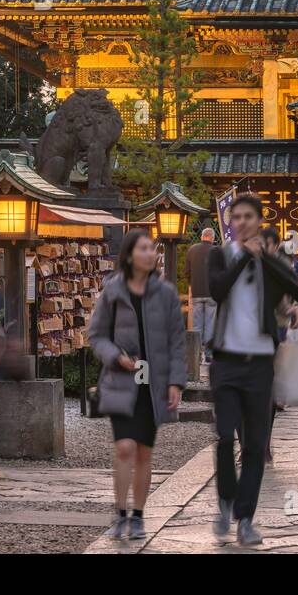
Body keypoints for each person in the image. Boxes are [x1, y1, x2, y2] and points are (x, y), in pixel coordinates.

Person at [206, 194, 298, 547]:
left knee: (255, 445)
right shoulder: (219, 256)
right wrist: (244, 259)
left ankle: (246, 519)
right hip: (225, 362)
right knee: (225, 437)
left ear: (257, 221)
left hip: (259, 365)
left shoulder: (272, 264)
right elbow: (218, 290)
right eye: (234, 217)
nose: (240, 222)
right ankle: (225, 501)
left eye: (247, 217)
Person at [88, 229, 186, 541]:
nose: (151, 253)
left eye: (152, 249)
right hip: (121, 379)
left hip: (152, 382)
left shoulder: (166, 293)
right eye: (144, 248)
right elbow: (96, 336)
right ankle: (119, 513)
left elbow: (176, 341)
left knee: (144, 451)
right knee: (124, 446)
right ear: (130, 255)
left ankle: (139, 515)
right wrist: (115, 356)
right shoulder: (113, 291)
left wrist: (176, 382)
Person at [187, 227, 217, 364]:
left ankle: (196, 355)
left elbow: (187, 272)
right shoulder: (216, 251)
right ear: (212, 238)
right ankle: (209, 354)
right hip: (211, 293)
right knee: (210, 324)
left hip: (197, 292)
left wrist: (192, 284)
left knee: (197, 325)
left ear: (202, 236)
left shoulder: (192, 250)